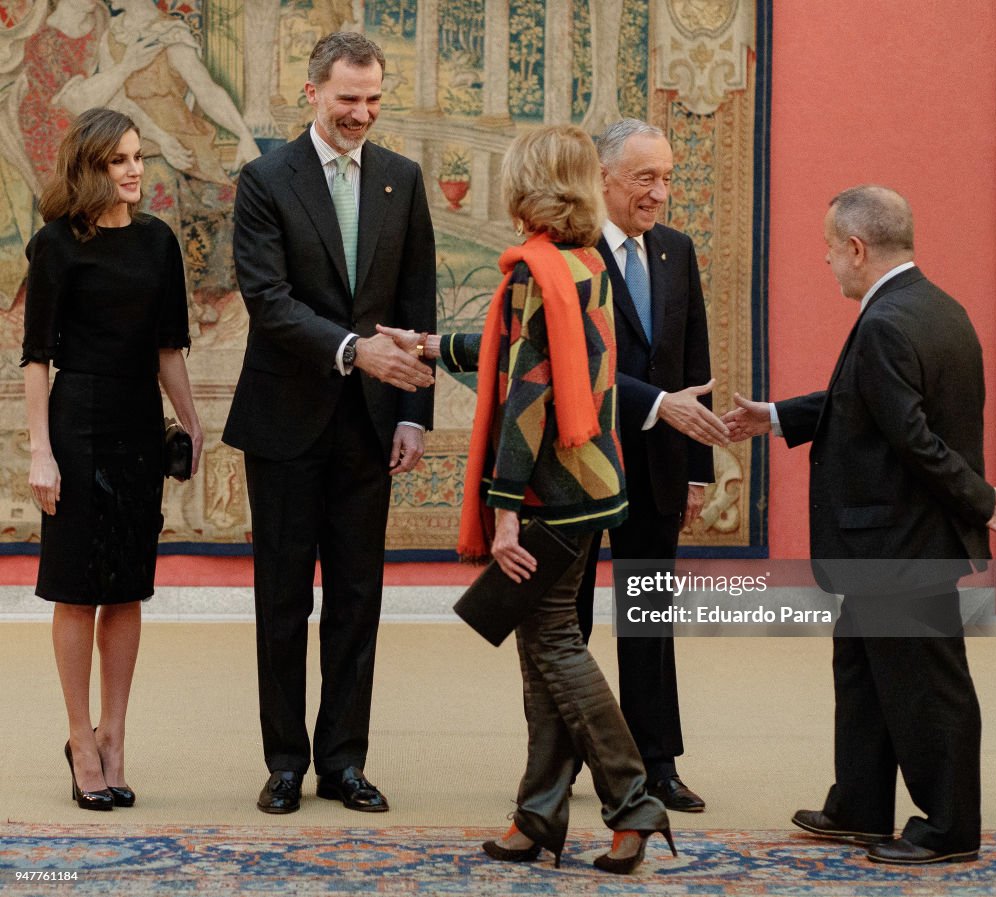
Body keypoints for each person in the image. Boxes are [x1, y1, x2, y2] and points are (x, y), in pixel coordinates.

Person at [380, 124, 676, 874]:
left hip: (546, 496)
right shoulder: (580, 265)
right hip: (594, 484)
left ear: (526, 186)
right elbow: (517, 350)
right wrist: (431, 345)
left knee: (553, 644)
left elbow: (525, 398)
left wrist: (504, 507)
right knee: (541, 645)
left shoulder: (530, 272)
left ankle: (634, 801)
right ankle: (538, 812)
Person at [724, 185, 996, 865]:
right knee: (861, 668)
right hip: (894, 540)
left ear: (856, 248)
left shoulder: (886, 321)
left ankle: (949, 827)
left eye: (829, 250)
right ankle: (859, 801)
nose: (827, 262)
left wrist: (978, 498)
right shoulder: (936, 306)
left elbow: (913, 437)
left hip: (897, 541)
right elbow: (869, 399)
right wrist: (774, 415)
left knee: (927, 683)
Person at [222, 32, 436, 816]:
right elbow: (268, 301)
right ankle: (284, 761)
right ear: (311, 91)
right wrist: (355, 351)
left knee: (357, 597)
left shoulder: (401, 180)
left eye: (374, 98)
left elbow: (418, 305)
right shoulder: (264, 180)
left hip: (371, 429)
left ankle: (343, 760)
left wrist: (414, 410)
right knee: (282, 600)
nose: (362, 113)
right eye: (348, 98)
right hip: (284, 423)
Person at [22, 107, 202, 811]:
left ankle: (115, 736)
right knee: (75, 587)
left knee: (126, 586)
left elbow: (167, 347)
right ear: (88, 168)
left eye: (138, 157)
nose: (134, 171)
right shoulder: (55, 245)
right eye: (118, 160)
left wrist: (190, 419)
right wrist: (41, 450)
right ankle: (79, 736)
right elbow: (37, 359)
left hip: (135, 422)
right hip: (75, 422)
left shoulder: (159, 244)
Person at [572, 119, 729, 812]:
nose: (660, 192)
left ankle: (656, 762)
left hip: (660, 466)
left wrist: (698, 465)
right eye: (646, 178)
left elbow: (694, 363)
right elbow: (575, 365)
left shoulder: (675, 250)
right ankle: (558, 761)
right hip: (581, 460)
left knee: (646, 614)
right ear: (603, 178)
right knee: (566, 623)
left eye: (666, 177)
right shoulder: (568, 254)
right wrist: (659, 404)